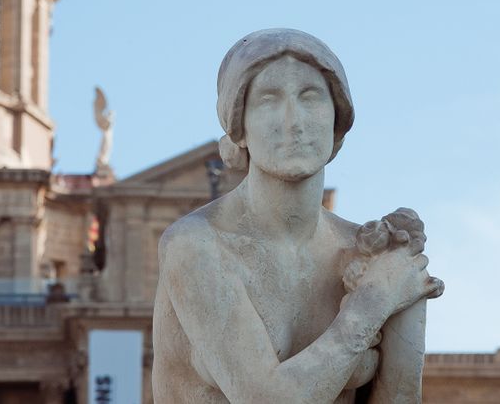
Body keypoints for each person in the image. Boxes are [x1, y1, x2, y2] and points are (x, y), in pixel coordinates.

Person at [152, 29, 443, 403]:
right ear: (238, 127)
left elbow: (400, 398)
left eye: (311, 98)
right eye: (268, 100)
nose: (293, 121)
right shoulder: (197, 245)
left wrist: (398, 290)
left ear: (337, 122)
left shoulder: (373, 254)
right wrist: (373, 302)